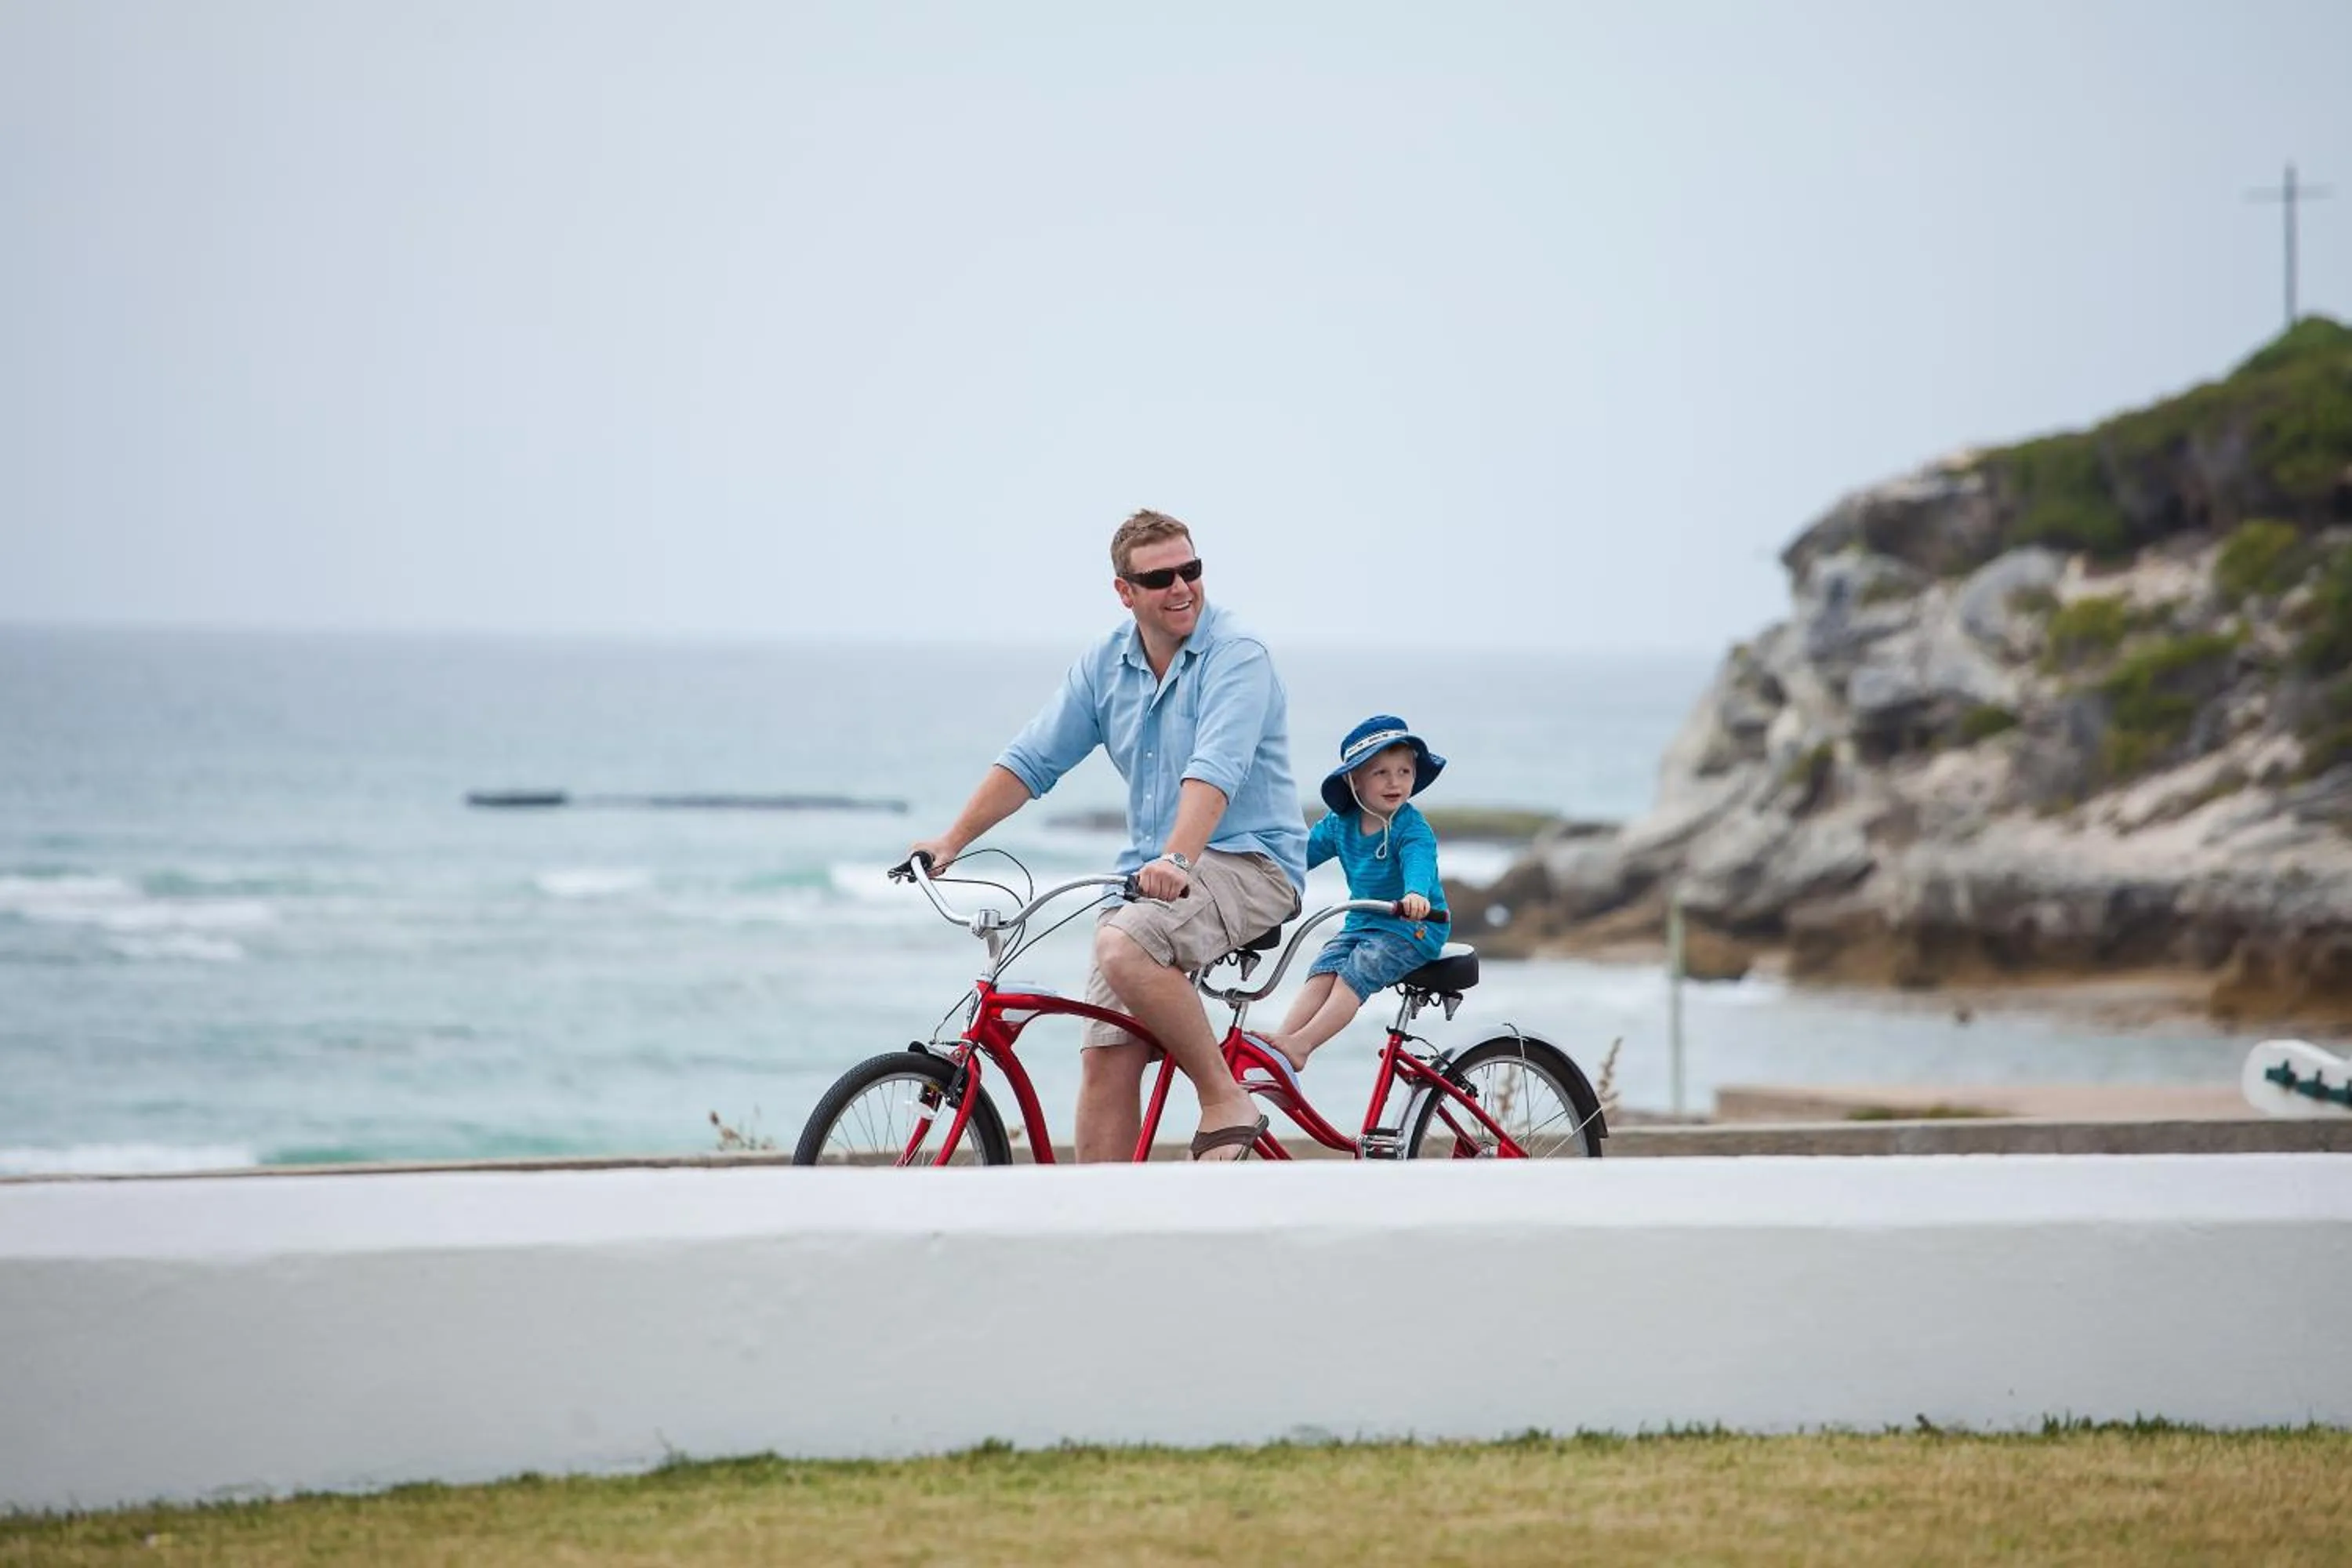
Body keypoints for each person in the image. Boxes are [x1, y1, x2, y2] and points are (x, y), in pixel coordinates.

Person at [908, 510, 1307, 1163]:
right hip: (1152, 880)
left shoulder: (1238, 657)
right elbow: (1033, 760)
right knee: (1105, 1058)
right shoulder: (1106, 663)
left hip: (1251, 864)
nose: (1182, 588)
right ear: (1125, 592)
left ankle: (1224, 1097)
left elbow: (1215, 771)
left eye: (1192, 570)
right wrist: (950, 842)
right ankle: (1098, 1225)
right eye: (1160, 578)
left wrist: (1178, 857)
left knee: (1121, 948)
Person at [1258, 716, 1449, 1073]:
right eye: (1381, 773)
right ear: (1354, 780)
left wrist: (1415, 895)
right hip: (1362, 922)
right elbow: (1299, 858)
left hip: (1414, 927)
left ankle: (1301, 1046)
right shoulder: (1340, 823)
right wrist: (1262, 873)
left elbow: (1418, 864)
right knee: (1324, 969)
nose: (1395, 782)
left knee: (1355, 973)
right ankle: (1281, 1043)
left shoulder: (1412, 827)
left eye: (1404, 772)